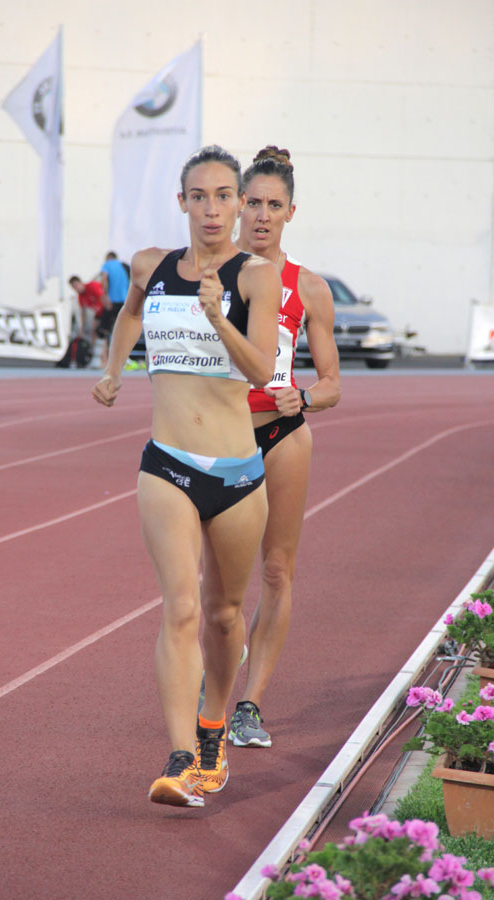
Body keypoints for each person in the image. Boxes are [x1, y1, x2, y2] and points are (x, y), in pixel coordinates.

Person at [92, 145, 281, 807]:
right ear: (182, 202)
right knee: (181, 607)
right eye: (199, 196)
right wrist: (114, 370)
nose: (212, 208)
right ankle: (178, 758)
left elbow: (262, 369)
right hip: (167, 462)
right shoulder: (150, 264)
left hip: (237, 475)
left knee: (225, 617)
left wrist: (217, 317)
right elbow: (131, 312)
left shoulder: (256, 276)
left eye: (224, 196)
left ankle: (212, 728)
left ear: (238, 203)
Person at [226, 146, 342, 747]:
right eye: (254, 203)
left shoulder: (310, 288)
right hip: (220, 436)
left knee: (276, 570)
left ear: (290, 212)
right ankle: (221, 656)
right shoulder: (211, 275)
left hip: (281, 434)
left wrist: (306, 397)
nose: (262, 215)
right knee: (218, 582)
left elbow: (332, 382)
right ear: (236, 206)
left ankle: (249, 704)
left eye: (275, 205)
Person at [67, 275, 111, 364]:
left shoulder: (92, 286)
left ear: (80, 283)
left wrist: (108, 314)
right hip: (99, 313)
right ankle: (95, 356)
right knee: (93, 331)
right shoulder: (81, 296)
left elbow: (103, 297)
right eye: (74, 287)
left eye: (76, 285)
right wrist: (82, 328)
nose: (76, 289)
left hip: (106, 310)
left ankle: (105, 359)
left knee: (102, 332)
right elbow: (83, 313)